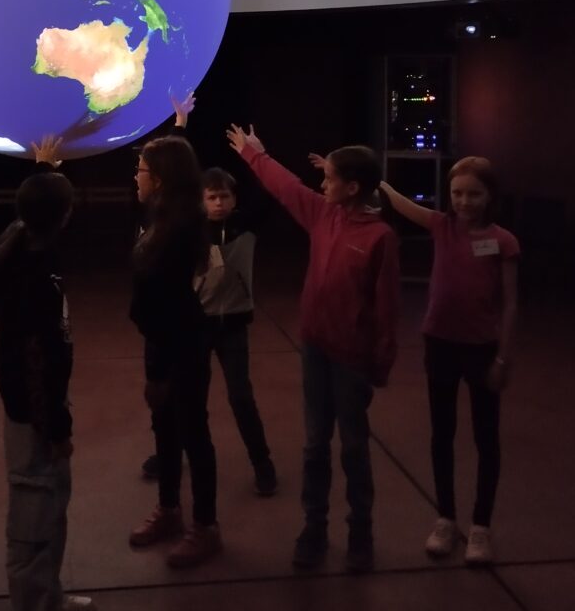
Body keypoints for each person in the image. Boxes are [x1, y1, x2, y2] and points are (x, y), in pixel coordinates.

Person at [228, 126, 400, 573]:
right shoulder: (325, 216)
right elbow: (288, 187)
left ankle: (360, 533)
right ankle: (314, 528)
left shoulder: (380, 238)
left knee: (354, 447)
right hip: (316, 349)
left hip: (351, 359)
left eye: (330, 178)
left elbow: (387, 307)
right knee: (314, 444)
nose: (322, 185)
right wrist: (255, 155)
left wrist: (379, 364)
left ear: (353, 187)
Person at [379, 156, 519, 566]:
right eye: (457, 193)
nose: (464, 201)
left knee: (486, 437)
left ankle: (480, 526)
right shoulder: (442, 226)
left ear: (490, 195)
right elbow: (403, 204)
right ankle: (445, 518)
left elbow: (511, 304)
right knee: (442, 434)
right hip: (440, 343)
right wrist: (377, 181)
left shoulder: (503, 241)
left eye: (474, 194)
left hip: (481, 347)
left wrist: (503, 357)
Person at [0, 136, 93, 611]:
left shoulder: (18, 245)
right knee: (32, 521)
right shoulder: (36, 277)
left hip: (36, 408)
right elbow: (37, 362)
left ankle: (49, 597)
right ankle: (34, 602)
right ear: (65, 216)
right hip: (35, 416)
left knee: (49, 510)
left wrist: (43, 171)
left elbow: (29, 212)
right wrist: (56, 428)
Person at [127, 135, 222, 569]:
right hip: (161, 342)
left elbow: (164, 302)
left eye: (142, 171)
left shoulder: (179, 227)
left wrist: (159, 371)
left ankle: (205, 526)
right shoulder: (159, 217)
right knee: (165, 429)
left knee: (192, 433)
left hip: (180, 343)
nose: (136, 177)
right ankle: (169, 509)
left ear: (161, 179)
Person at [192, 166, 277, 496]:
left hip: (234, 324)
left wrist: (253, 155)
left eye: (224, 196)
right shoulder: (191, 230)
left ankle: (262, 462)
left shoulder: (246, 225)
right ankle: (170, 450)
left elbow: (267, 194)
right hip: (198, 324)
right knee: (190, 397)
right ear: (201, 201)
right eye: (211, 197)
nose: (218, 203)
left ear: (235, 198)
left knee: (241, 396)